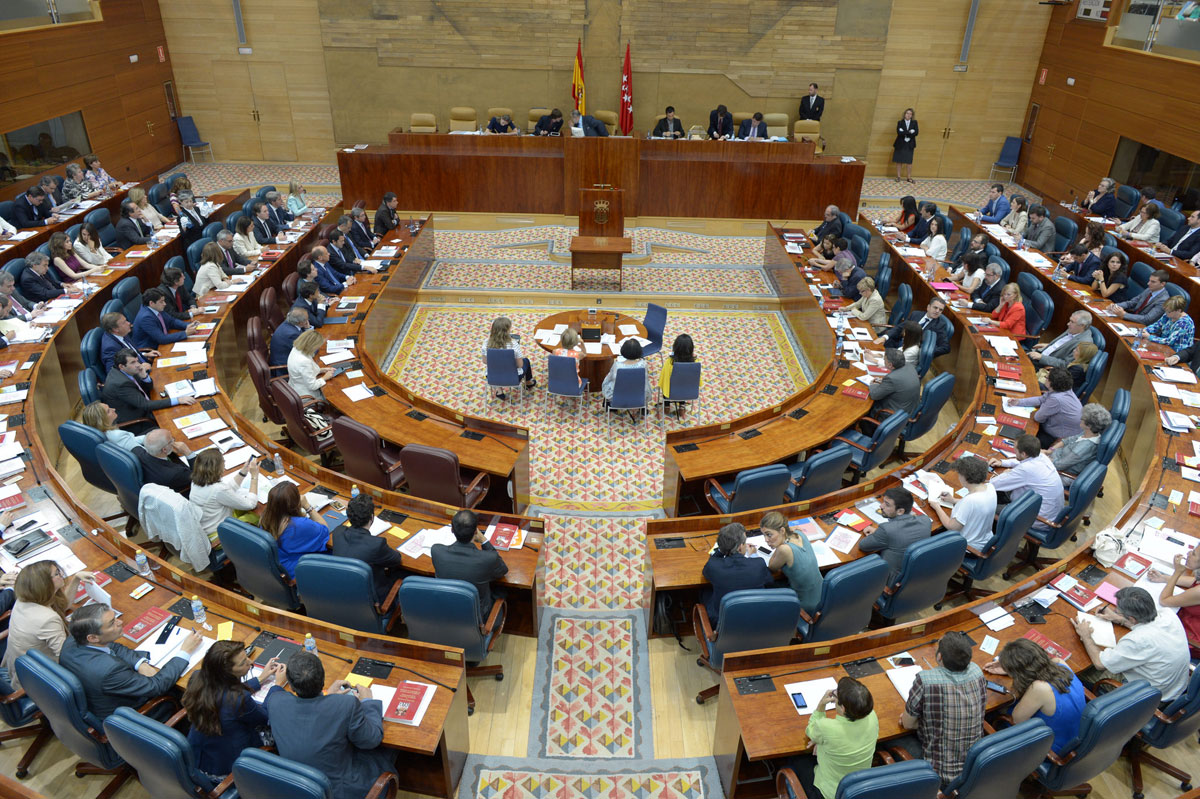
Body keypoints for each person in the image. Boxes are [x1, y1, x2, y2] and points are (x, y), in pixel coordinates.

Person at [264, 651, 397, 799]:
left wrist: (328, 698)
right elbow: (372, 739)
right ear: (323, 680)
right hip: (337, 791)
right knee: (389, 752)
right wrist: (368, 702)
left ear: (292, 687)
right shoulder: (347, 704)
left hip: (297, 786)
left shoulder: (275, 701)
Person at [58, 603, 201, 721]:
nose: (120, 622)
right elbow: (156, 686)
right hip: (137, 714)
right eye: (112, 623)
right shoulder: (109, 671)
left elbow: (112, 645)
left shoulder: (72, 640)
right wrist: (185, 652)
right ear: (93, 638)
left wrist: (140, 663)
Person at [897, 632, 986, 787]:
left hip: (940, 774)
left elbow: (908, 724)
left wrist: (925, 722)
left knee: (893, 739)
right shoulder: (977, 671)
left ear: (939, 657)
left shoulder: (925, 680)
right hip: (975, 767)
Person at [184, 641, 285, 779]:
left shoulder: (197, 679)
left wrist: (260, 678)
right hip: (227, 769)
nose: (250, 662)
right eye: (243, 663)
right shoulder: (239, 699)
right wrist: (277, 685)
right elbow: (266, 716)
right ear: (228, 673)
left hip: (200, 758)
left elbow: (225, 690)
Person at [1072, 587, 1190, 702]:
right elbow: (1145, 625)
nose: (1116, 612)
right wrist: (1119, 618)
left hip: (1149, 696)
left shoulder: (1137, 640)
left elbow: (1099, 663)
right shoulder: (1168, 614)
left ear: (1132, 619)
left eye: (1118, 611)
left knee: (1076, 671)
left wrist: (1086, 636)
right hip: (1173, 685)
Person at [983, 638, 1085, 754]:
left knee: (992, 713)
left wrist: (1014, 672)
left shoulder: (1039, 688)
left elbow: (1016, 720)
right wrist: (1010, 669)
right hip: (1076, 734)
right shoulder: (1059, 663)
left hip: (1052, 747)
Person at [2, 561, 90, 690]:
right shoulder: (47, 619)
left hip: (17, 668)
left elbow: (62, 606)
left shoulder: (23, 600)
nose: (61, 575)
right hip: (37, 681)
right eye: (56, 574)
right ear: (44, 584)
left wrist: (76, 579)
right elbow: (67, 655)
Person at [788, 677, 877, 799]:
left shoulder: (826, 727)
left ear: (843, 708)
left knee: (793, 760)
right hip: (858, 789)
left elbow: (811, 730)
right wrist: (822, 741)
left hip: (829, 793)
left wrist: (821, 706)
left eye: (836, 694)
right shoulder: (872, 716)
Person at [430, 508, 509, 616]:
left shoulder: (436, 551)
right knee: (501, 591)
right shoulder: (488, 558)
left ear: (452, 530)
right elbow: (502, 570)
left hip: (446, 609)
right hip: (477, 615)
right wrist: (484, 541)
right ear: (476, 531)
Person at [332, 495, 407, 600]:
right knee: (404, 574)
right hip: (372, 601)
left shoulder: (338, 532)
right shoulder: (377, 544)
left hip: (342, 594)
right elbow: (396, 559)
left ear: (349, 517)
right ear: (372, 518)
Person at [102, 348, 194, 433]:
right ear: (121, 366)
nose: (138, 365)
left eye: (137, 361)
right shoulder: (120, 384)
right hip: (137, 420)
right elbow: (145, 405)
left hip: (142, 405)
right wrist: (178, 400)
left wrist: (144, 377)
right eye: (133, 362)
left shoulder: (127, 371)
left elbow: (147, 389)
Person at [987, 434, 1064, 531]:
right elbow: (1023, 462)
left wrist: (1005, 473)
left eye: (1015, 450)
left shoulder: (1026, 469)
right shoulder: (1041, 456)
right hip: (1050, 512)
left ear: (1024, 454)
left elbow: (993, 484)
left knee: (987, 506)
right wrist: (1002, 463)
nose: (1014, 452)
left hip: (1039, 519)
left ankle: (995, 536)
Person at [701, 523, 772, 625]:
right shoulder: (758, 563)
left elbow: (706, 572)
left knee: (704, 591)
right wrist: (754, 555)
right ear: (740, 547)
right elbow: (769, 581)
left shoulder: (714, 566)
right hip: (755, 619)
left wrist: (722, 549)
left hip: (724, 622)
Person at [859, 486, 931, 583]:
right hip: (917, 576)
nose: (881, 506)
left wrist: (881, 534)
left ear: (900, 511)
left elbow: (863, 546)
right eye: (883, 501)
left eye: (887, 505)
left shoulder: (887, 529)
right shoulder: (926, 521)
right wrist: (879, 533)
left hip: (890, 582)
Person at [190, 448, 259, 544]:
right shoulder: (218, 489)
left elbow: (227, 490)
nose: (224, 462)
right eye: (223, 461)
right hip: (218, 536)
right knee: (259, 517)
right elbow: (251, 504)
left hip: (207, 527)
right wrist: (254, 476)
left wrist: (243, 472)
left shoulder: (196, 482)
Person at [261, 482, 330, 579]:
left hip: (279, 568)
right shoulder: (299, 525)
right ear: (296, 502)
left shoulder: (265, 518)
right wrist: (307, 506)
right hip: (298, 572)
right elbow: (325, 529)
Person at [760, 511, 822, 615]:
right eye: (764, 535)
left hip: (806, 604)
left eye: (769, 535)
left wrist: (777, 546)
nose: (766, 540)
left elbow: (772, 567)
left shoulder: (784, 550)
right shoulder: (799, 533)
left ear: (782, 530)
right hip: (822, 594)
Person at [929, 456, 997, 551]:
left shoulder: (969, 501)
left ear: (965, 478)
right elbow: (977, 506)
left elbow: (951, 527)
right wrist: (953, 500)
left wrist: (937, 507)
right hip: (984, 540)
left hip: (968, 548)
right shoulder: (990, 487)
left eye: (959, 474)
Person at [1010, 367, 1082, 448]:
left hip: (1057, 438)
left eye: (1047, 377)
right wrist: (1019, 402)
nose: (1045, 379)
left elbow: (1038, 418)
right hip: (1059, 428)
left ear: (1052, 383)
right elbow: (1041, 399)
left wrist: (1043, 408)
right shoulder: (1064, 390)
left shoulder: (1056, 399)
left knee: (1021, 435)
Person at [1154, 547, 1200, 659]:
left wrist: (1177, 572)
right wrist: (1164, 578)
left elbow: (1164, 600)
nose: (1188, 554)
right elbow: (1193, 581)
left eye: (1193, 554)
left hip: (1189, 639)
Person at [1047, 403, 1111, 481]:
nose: (1080, 419)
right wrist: (1050, 450)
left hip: (1061, 474)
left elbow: (1059, 465)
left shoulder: (1084, 448)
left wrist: (1046, 458)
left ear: (1089, 426)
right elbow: (1067, 440)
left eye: (1082, 418)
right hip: (1055, 459)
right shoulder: (1089, 433)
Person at [877, 296, 952, 358]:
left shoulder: (940, 325)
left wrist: (923, 351)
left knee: (882, 359)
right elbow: (900, 327)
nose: (937, 311)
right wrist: (885, 337)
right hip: (898, 342)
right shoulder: (916, 314)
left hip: (910, 352)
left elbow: (945, 348)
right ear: (928, 307)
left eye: (940, 310)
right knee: (875, 346)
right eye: (935, 308)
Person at [484, 316, 536, 398]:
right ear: (507, 331)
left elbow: (485, 361)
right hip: (513, 378)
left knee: (495, 368)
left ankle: (499, 390)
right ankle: (528, 383)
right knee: (526, 361)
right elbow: (520, 365)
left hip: (492, 377)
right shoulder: (514, 344)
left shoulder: (486, 343)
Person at [133, 287, 198, 349]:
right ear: (151, 303)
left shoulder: (155, 307)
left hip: (163, 341)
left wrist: (187, 325)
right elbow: (162, 339)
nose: (164, 304)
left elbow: (172, 321)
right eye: (161, 302)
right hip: (153, 349)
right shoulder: (146, 318)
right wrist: (185, 333)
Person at [135, 428, 195, 494]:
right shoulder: (176, 474)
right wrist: (188, 453)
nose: (174, 441)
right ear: (164, 450)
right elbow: (199, 477)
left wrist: (170, 450)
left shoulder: (137, 453)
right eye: (172, 440)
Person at [601, 338, 653, 410]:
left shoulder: (617, 366)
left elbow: (610, 379)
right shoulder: (643, 365)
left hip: (617, 398)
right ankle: (643, 409)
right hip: (639, 397)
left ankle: (611, 406)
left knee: (607, 380)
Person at [1029, 310, 1094, 368]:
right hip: (1040, 353)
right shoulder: (1074, 329)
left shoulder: (1084, 343)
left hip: (1045, 365)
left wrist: (1041, 358)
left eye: (1072, 322)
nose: (1068, 324)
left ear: (1082, 325)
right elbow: (1062, 345)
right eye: (1070, 320)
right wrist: (1049, 345)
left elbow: (1066, 364)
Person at [867, 348, 920, 418]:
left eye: (884, 360)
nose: (884, 361)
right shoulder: (910, 366)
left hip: (893, 415)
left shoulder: (892, 378)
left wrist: (872, 384)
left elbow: (874, 395)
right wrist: (884, 384)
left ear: (890, 365)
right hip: (909, 410)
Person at [289, 328, 335, 402]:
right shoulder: (303, 362)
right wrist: (325, 377)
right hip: (306, 395)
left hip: (295, 385)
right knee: (332, 398)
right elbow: (312, 386)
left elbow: (304, 371)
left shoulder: (296, 349)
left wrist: (322, 370)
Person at [81, 400, 146, 451]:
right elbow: (143, 453)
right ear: (101, 421)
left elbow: (131, 441)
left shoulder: (104, 433)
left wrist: (147, 437)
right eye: (108, 411)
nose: (113, 409)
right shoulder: (117, 436)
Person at [893, 108, 917, 183]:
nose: (908, 115)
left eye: (910, 114)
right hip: (900, 143)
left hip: (910, 144)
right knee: (899, 161)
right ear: (904, 114)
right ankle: (898, 176)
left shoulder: (914, 123)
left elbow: (916, 133)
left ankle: (909, 177)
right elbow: (899, 133)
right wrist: (910, 132)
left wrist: (904, 132)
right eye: (907, 113)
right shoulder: (900, 122)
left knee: (909, 161)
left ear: (912, 115)